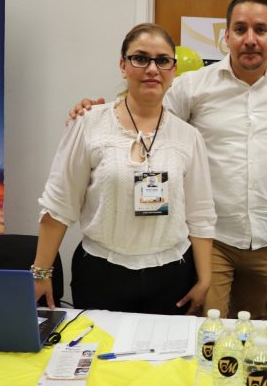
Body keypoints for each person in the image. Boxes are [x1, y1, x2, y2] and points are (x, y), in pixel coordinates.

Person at [70, 0, 267, 319]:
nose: (250, 39)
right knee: (209, 329)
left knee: (254, 329)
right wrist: (96, 111)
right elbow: (143, 112)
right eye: (240, 29)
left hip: (266, 241)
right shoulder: (194, 86)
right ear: (226, 36)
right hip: (211, 239)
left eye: (260, 30)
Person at [33, 23, 216, 315]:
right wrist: (41, 272)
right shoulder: (89, 123)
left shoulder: (188, 137)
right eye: (140, 58)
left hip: (171, 277)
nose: (152, 69)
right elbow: (59, 203)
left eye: (162, 60)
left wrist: (205, 279)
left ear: (173, 70)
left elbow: (201, 214)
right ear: (123, 65)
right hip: (100, 275)